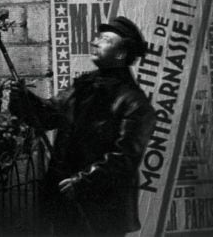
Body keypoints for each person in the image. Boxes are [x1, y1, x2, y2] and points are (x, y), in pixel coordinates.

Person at [9, 16, 156, 236]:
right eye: (97, 37)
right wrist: (23, 98)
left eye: (105, 39)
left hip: (101, 211)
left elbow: (123, 159)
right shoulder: (83, 87)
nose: (95, 42)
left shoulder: (134, 103)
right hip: (65, 202)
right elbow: (48, 116)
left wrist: (83, 182)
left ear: (121, 53)